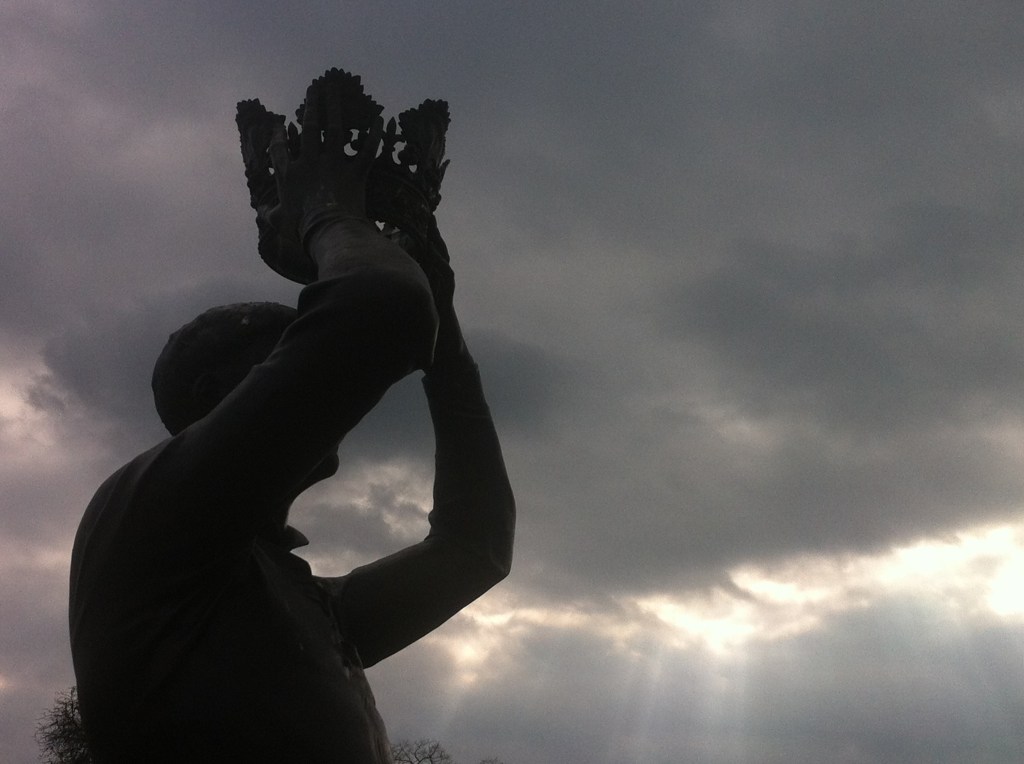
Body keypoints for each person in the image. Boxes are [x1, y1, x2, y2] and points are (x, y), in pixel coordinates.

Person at [69, 81, 515, 762]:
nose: (317, 378)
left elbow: (474, 547)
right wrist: (326, 212)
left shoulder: (300, 605)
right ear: (215, 390)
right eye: (291, 356)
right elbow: (377, 310)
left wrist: (446, 341)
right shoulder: (147, 524)